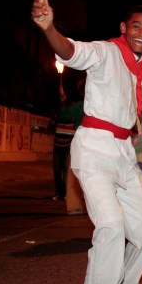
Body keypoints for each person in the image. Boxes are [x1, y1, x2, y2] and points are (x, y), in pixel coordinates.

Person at [31, 0, 142, 284]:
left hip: (123, 153)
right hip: (93, 151)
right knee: (112, 226)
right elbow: (70, 51)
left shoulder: (139, 68)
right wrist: (49, 28)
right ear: (123, 28)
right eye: (136, 26)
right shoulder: (105, 51)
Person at [61, 76, 86, 215]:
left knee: (74, 173)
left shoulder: (80, 106)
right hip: (92, 142)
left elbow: (64, 114)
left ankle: (75, 205)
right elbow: (64, 114)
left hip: (81, 142)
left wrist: (63, 102)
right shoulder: (82, 106)